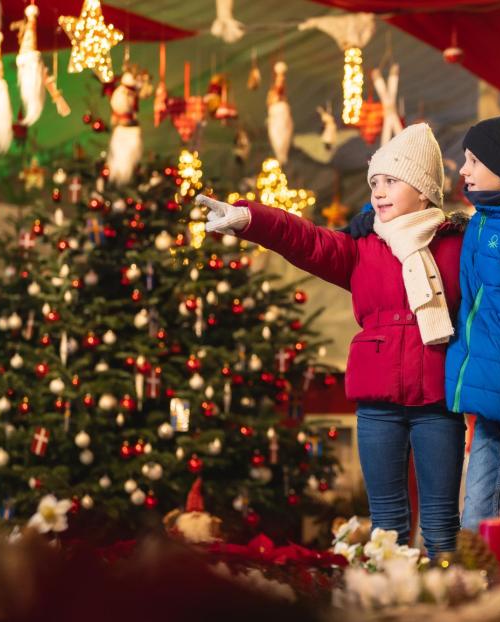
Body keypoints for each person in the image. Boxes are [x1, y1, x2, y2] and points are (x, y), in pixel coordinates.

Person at [197, 123, 466, 558]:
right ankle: (388, 592)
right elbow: (304, 239)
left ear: (423, 190)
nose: (378, 192)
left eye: (391, 181)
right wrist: (251, 219)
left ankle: (446, 591)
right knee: (387, 520)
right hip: (378, 403)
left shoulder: (457, 245)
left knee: (439, 519)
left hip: (437, 400)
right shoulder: (360, 247)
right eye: (374, 182)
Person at [347, 113, 500, 532]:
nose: (463, 170)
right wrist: (374, 217)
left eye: (474, 161)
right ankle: (484, 578)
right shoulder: (484, 223)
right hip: (493, 406)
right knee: (478, 522)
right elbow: (426, 225)